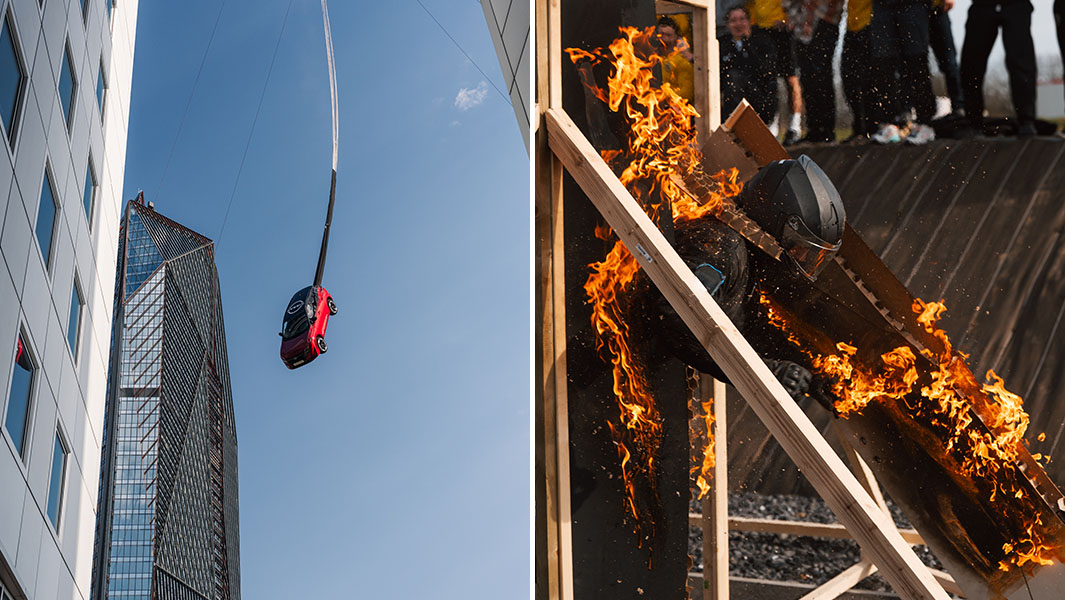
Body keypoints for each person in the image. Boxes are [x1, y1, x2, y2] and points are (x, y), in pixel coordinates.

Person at [655, 156, 846, 400]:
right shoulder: (722, 247)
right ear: (775, 218)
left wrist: (812, 372)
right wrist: (767, 373)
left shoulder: (748, 253)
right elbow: (678, 319)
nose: (802, 255)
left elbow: (749, 328)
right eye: (800, 245)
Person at [959, 0, 1037, 137]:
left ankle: (1026, 120)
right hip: (982, 6)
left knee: (1021, 63)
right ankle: (973, 122)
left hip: (1015, 5)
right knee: (971, 65)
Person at [868, 0, 937, 145]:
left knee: (916, 61)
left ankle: (925, 125)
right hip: (881, 6)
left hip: (913, 4)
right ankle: (888, 124)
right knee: (882, 64)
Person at [785, 0, 845, 144]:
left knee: (822, 76)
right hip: (800, 24)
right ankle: (813, 129)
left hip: (824, 20)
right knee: (807, 77)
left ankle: (828, 130)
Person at [748, 0, 805, 144]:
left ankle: (795, 126)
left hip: (782, 30)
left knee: (790, 78)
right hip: (760, 31)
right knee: (768, 80)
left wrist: (788, 20)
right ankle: (773, 125)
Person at [719, 6, 779, 124]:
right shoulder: (722, 44)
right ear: (727, 25)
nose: (738, 24)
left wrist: (747, 43)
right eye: (733, 20)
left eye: (742, 19)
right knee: (733, 77)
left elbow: (766, 70)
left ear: (749, 22)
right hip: (732, 97)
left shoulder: (763, 41)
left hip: (760, 94)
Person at [841, 0, 874, 142]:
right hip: (851, 26)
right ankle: (859, 127)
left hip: (870, 24)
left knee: (868, 79)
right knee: (848, 78)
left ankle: (872, 126)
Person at [929, 0, 964, 116]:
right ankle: (923, 110)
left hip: (938, 8)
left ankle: (959, 107)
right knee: (914, 61)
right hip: (910, 9)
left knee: (950, 62)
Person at [656, 16, 695, 103]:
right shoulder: (651, 59)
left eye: (669, 35)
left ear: (676, 37)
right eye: (661, 35)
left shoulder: (682, 61)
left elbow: (687, 93)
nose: (665, 39)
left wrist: (663, 96)